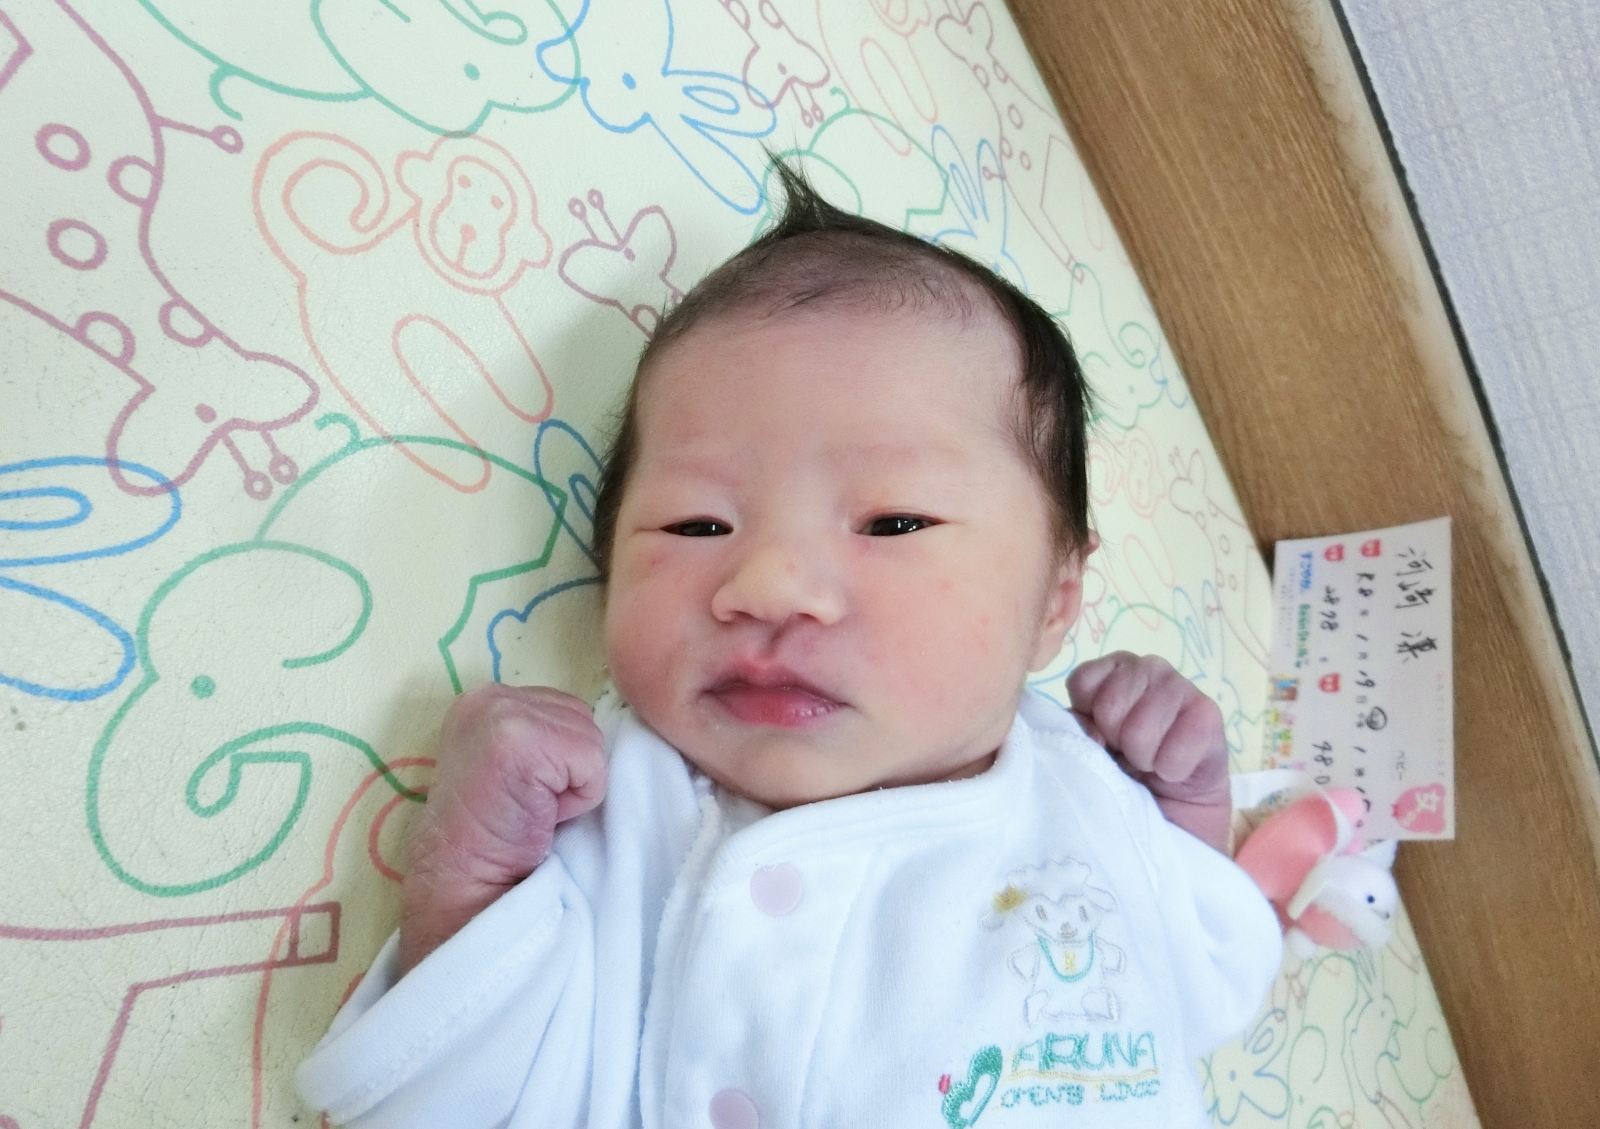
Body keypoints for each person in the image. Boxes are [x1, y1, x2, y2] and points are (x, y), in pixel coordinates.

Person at [298, 160, 1281, 1127]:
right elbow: (455, 1097)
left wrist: (1186, 805)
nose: (766, 585)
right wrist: (472, 877)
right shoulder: (615, 807)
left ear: (1056, 601)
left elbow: (1210, 977)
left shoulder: (1083, 794)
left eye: (893, 523)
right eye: (696, 525)